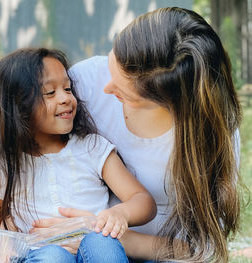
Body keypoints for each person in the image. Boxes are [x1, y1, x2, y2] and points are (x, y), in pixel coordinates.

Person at [0, 48, 157, 263]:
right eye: (50, 93)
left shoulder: (91, 148)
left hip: (88, 250)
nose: (66, 99)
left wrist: (119, 214)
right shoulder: (6, 165)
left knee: (99, 244)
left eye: (68, 89)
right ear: (18, 107)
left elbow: (142, 200)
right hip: (27, 255)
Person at [32, 7, 242, 263]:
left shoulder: (212, 132)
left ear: (170, 103)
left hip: (156, 254)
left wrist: (102, 235)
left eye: (125, 94)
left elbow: (203, 248)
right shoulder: (85, 81)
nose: (107, 88)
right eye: (111, 66)